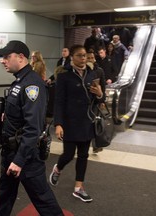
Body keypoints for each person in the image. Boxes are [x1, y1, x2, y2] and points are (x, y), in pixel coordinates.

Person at [0, 40, 64, 216]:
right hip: (11, 151)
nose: (3, 61)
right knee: (5, 196)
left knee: (43, 199)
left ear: (21, 57)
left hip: (25, 155)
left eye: (7, 56)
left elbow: (34, 127)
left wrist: (19, 160)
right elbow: (21, 114)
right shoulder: (19, 81)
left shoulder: (32, 84)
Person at [49, 45, 105, 202]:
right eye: (79, 55)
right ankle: (58, 168)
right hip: (70, 122)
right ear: (72, 57)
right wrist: (58, 124)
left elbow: (101, 99)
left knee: (83, 155)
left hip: (87, 121)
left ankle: (78, 188)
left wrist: (100, 94)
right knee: (68, 154)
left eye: (85, 55)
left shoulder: (92, 74)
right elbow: (58, 102)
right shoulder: (64, 76)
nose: (83, 58)